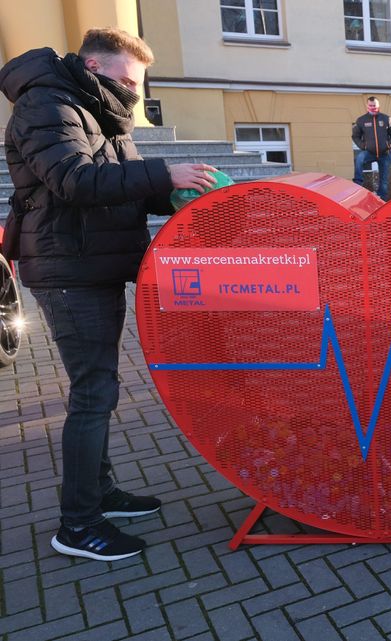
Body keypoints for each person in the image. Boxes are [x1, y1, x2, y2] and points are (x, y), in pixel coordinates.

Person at [0, 28, 217, 561]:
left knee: (98, 387)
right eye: (127, 81)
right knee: (93, 394)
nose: (134, 95)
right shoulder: (47, 105)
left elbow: (121, 189)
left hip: (94, 264)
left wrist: (175, 195)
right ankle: (77, 525)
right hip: (68, 269)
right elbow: (75, 180)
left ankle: (101, 493)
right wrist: (163, 170)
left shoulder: (98, 112)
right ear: (94, 67)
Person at [351, 96, 391, 200]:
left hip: (384, 154)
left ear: (378, 106)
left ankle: (382, 200)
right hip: (369, 152)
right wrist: (363, 146)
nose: (373, 108)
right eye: (370, 105)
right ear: (367, 106)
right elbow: (355, 136)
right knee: (359, 158)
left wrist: (389, 145)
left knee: (384, 181)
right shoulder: (361, 120)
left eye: (374, 106)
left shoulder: (386, 119)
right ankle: (358, 184)